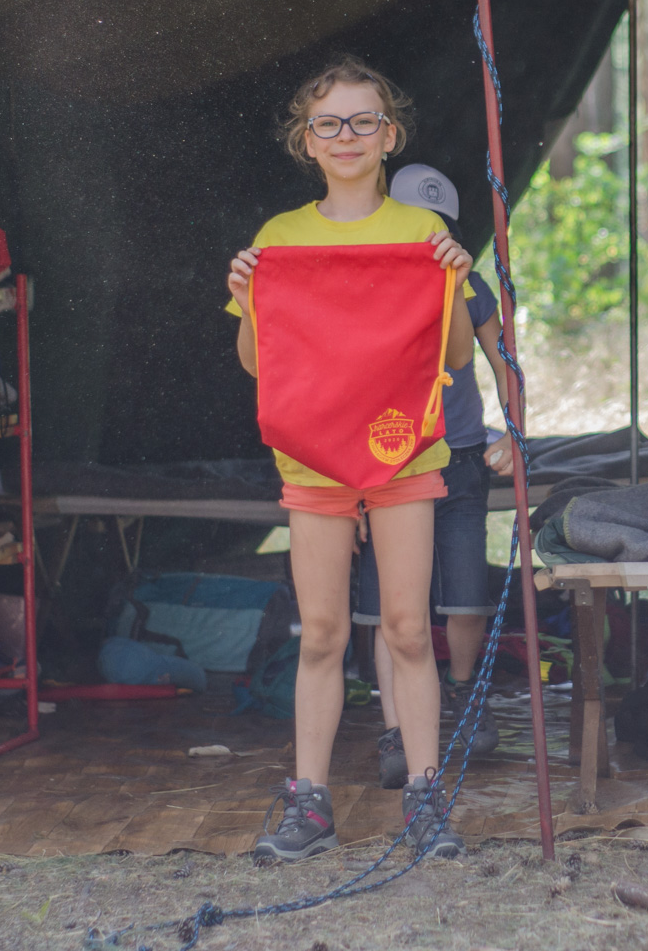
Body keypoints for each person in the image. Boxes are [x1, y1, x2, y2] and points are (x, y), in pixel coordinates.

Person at [226, 56, 475, 862]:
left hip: (406, 453)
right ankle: (310, 805)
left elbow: (456, 356)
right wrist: (249, 300)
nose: (346, 136)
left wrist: (455, 279)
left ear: (388, 136)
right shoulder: (279, 237)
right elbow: (258, 364)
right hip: (312, 463)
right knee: (323, 634)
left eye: (363, 121)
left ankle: (426, 800)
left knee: (408, 630)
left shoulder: (422, 233)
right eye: (329, 123)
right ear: (307, 140)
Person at [356, 163, 517, 789]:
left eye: (438, 229)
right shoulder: (366, 286)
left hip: (462, 457)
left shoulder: (468, 284)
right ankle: (396, 732)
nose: (426, 239)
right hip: (389, 462)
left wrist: (516, 432)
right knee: (393, 611)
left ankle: (462, 692)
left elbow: (502, 360)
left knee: (466, 596)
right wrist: (352, 482)